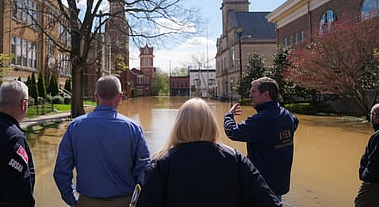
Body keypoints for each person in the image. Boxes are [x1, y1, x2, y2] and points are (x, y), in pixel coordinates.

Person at [136, 98, 281, 207]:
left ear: (179, 125)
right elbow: (269, 202)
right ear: (211, 124)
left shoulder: (161, 164)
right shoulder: (236, 160)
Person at [53, 74, 150, 207]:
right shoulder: (133, 129)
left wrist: (73, 200)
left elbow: (61, 172)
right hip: (125, 202)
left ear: (96, 96)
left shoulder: (75, 127)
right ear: (120, 97)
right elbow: (144, 171)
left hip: (87, 202)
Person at [224, 76, 299, 200]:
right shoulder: (286, 115)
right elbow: (295, 123)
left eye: (253, 91)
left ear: (266, 94)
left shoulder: (261, 120)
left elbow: (232, 132)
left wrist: (229, 115)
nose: (250, 95)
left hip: (262, 184)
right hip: (279, 182)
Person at [354, 103, 379, 206]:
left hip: (373, 183)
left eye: (371, 114)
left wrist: (366, 177)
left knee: (361, 203)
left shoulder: (378, 136)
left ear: (376, 116)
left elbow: (376, 161)